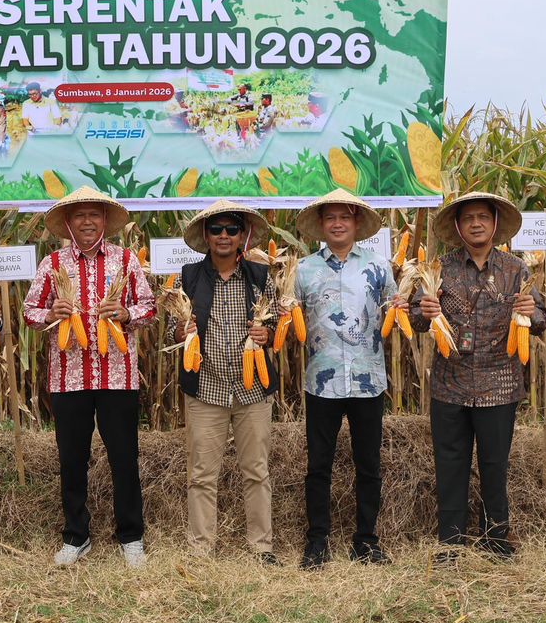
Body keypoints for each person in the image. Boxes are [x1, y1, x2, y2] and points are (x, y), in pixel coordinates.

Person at [23, 186, 156, 567]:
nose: (87, 222)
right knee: (72, 459)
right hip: (69, 379)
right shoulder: (52, 264)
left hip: (118, 377)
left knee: (124, 458)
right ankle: (76, 536)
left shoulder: (126, 260)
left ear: (104, 221)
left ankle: (131, 536)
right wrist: (50, 314)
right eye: (79, 215)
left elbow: (149, 307)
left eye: (93, 215)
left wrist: (127, 314)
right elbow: (30, 311)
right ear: (68, 223)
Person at [412, 191, 546, 561]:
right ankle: (451, 542)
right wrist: (424, 311)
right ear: (458, 226)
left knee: (494, 465)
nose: (476, 224)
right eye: (468, 218)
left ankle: (496, 539)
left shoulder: (516, 270)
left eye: (482, 217)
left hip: (499, 384)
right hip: (449, 384)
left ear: (494, 223)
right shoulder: (440, 268)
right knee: (450, 465)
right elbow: (414, 318)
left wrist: (531, 311)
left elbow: (541, 320)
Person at [172, 199, 277, 561]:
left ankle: (261, 547)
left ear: (242, 236)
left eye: (232, 229)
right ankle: (201, 549)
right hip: (206, 389)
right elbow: (173, 328)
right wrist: (181, 330)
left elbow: (276, 324)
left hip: (253, 390)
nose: (224, 235)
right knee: (202, 474)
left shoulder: (260, 277)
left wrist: (267, 334)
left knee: (257, 471)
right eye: (216, 229)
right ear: (206, 235)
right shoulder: (188, 277)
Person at [294, 190, 394, 567]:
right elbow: (287, 316)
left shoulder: (379, 267)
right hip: (322, 381)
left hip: (368, 379)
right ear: (322, 225)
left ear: (356, 223)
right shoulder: (303, 270)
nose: (337, 224)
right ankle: (317, 541)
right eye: (331, 218)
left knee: (368, 465)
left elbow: (394, 309)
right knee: (318, 465)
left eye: (344, 217)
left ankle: (366, 540)